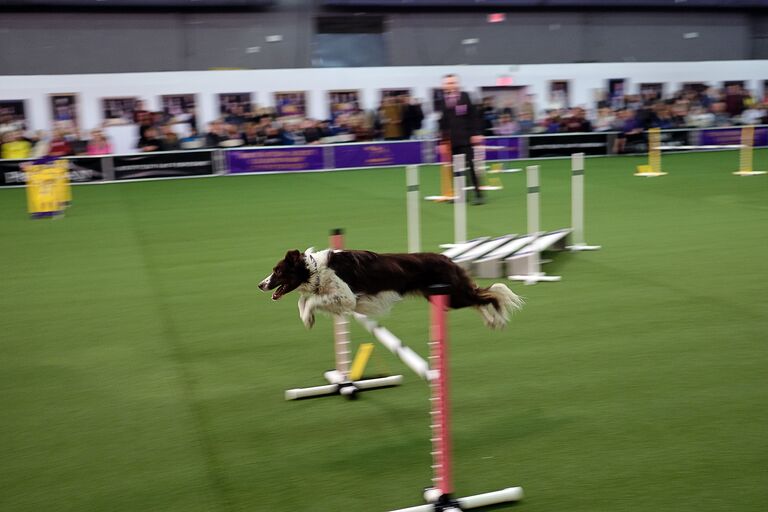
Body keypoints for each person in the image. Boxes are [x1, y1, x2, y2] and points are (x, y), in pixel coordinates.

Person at [435, 73, 485, 205]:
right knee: (455, 169)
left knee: (471, 166)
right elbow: (442, 123)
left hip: (467, 139)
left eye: (452, 83)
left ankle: (478, 194)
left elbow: (474, 116)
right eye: (447, 83)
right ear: (443, 86)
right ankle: (460, 195)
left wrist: (476, 133)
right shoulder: (441, 101)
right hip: (451, 141)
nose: (449, 85)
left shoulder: (465, 96)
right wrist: (441, 142)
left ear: (457, 83)